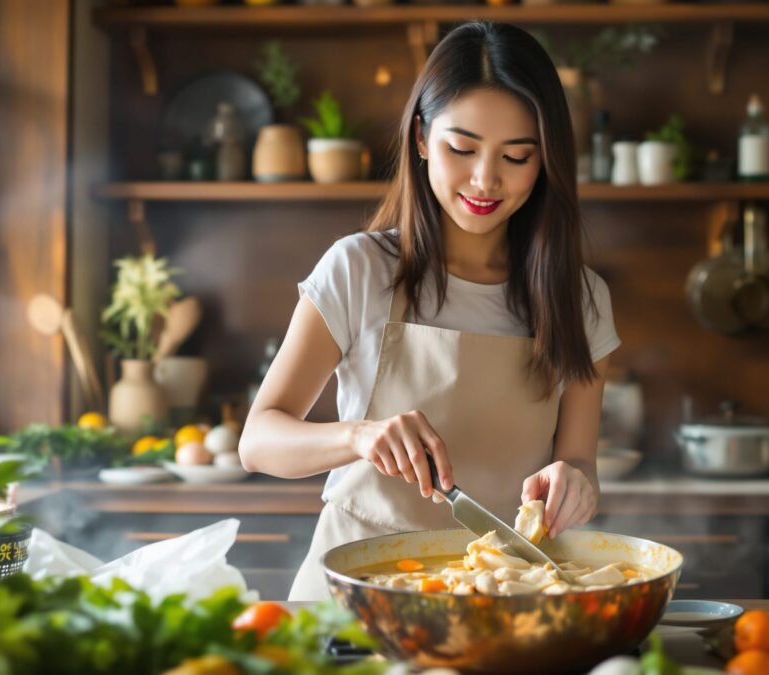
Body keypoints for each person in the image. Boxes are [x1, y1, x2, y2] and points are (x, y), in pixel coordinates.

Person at [238, 21, 620, 601]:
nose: (485, 179)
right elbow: (258, 440)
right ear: (420, 137)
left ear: (546, 161)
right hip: (352, 591)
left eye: (517, 156)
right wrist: (360, 437)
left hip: (501, 592)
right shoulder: (358, 269)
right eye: (461, 149)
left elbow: (578, 464)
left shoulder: (580, 297)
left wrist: (576, 484)